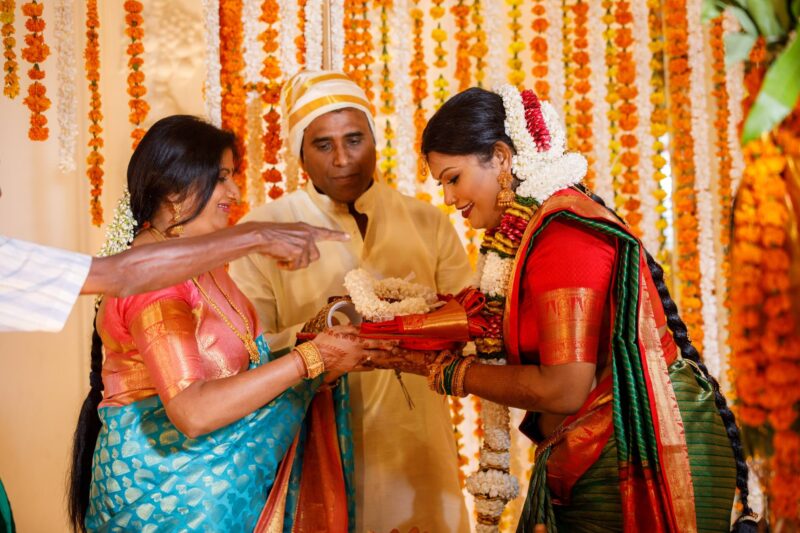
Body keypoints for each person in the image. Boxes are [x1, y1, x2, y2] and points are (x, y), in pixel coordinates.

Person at [369, 86, 758, 532]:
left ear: (501, 157)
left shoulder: (563, 235)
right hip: (597, 450)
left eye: (453, 178)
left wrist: (445, 372)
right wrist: (391, 330)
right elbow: (485, 322)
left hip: (638, 458)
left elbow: (563, 389)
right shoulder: (527, 233)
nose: (449, 198)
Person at [67, 115, 391, 532]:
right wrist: (309, 359)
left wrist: (322, 354)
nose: (235, 191)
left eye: (232, 176)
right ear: (174, 189)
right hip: (170, 502)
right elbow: (193, 411)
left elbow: (244, 369)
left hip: (217, 498)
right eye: (221, 178)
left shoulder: (203, 266)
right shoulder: (155, 286)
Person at [229, 71, 472, 532]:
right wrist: (323, 333)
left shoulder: (428, 222)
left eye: (355, 139)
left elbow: (471, 325)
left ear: (375, 140)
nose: (343, 159)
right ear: (300, 154)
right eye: (323, 145)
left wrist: (421, 328)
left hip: (416, 445)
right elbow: (247, 351)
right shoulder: (266, 232)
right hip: (316, 446)